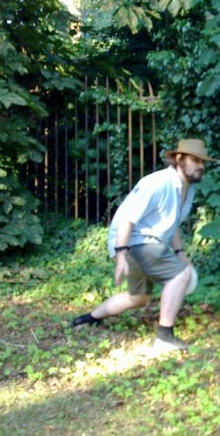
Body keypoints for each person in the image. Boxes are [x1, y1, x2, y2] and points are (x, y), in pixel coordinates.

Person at [70, 138, 212, 352]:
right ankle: (165, 338)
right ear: (178, 159)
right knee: (180, 275)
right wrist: (120, 255)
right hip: (132, 241)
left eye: (203, 162)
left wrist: (180, 252)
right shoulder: (157, 182)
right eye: (195, 160)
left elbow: (172, 224)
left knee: (138, 298)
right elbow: (127, 218)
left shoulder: (188, 189)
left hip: (145, 244)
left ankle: (88, 319)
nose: (201, 166)